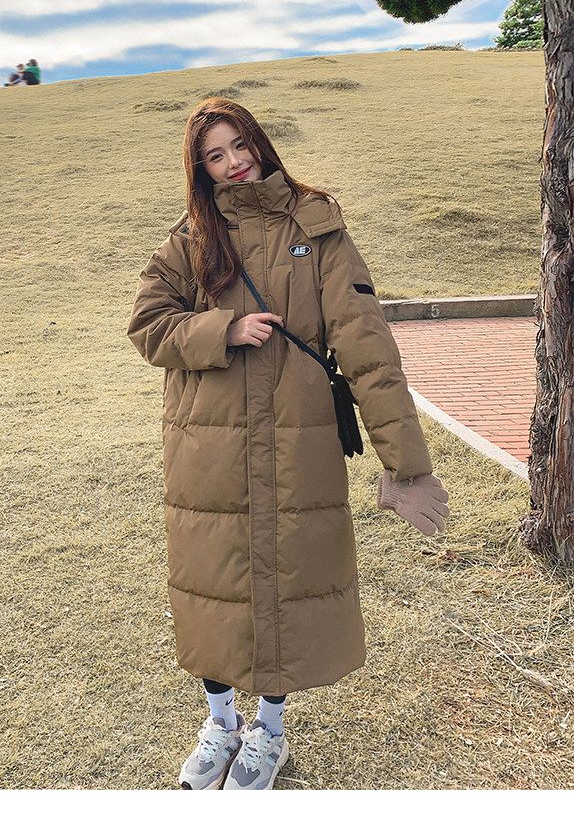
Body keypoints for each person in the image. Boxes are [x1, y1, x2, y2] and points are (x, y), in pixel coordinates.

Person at [127, 98, 449, 791]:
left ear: (260, 142)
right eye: (215, 155)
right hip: (206, 445)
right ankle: (220, 723)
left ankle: (268, 732)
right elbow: (148, 325)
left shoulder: (317, 225)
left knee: (286, 581)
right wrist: (222, 329)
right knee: (212, 584)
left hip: (297, 437)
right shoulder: (190, 238)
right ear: (200, 168)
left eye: (239, 145)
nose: (233, 163)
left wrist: (407, 466)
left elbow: (367, 346)